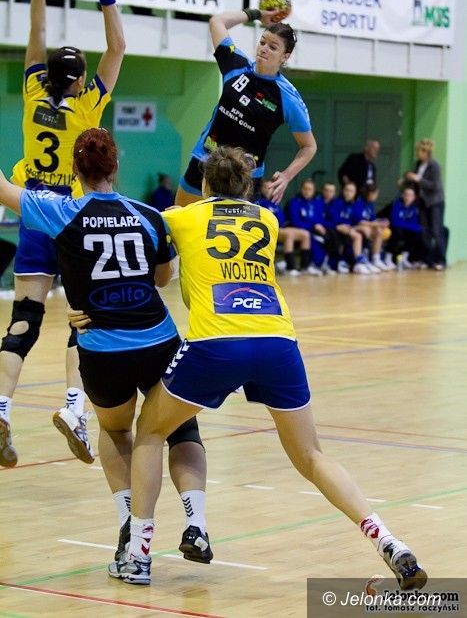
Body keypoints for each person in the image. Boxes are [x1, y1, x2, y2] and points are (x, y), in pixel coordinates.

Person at [103, 146, 426, 589]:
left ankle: (138, 555)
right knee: (311, 456)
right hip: (277, 341)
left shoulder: (184, 217)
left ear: (205, 184)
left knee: (150, 430)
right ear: (247, 187)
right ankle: (388, 540)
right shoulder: (267, 219)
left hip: (216, 342)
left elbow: (131, 223)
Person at [0, 127, 211, 568]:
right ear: (116, 166)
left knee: (117, 432)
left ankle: (130, 529)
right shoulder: (148, 215)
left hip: (101, 350)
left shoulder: (60, 211)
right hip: (157, 342)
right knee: (182, 431)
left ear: (74, 170)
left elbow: (4, 189)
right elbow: (162, 279)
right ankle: (197, 524)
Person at [0, 0, 125, 468]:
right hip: (71, 215)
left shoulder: (33, 91)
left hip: (31, 207)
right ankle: (75, 407)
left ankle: (1, 406)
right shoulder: (87, 105)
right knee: (84, 316)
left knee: (24, 317)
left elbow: (36, 34)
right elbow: (118, 49)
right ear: (77, 81)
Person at [176, 9, 317, 207]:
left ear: (285, 57)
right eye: (262, 42)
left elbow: (309, 146)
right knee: (178, 218)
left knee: (235, 228)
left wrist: (287, 176)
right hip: (206, 161)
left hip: (245, 177)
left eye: (273, 47)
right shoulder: (236, 64)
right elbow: (217, 22)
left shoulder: (288, 98)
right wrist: (257, 14)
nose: (264, 49)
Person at [402, 138, 446, 270]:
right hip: (422, 202)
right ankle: (428, 260)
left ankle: (441, 260)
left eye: (419, 151)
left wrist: (418, 178)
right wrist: (407, 179)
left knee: (436, 231)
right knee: (424, 231)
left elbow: (435, 186)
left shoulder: (434, 166)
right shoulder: (418, 164)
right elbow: (415, 183)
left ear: (426, 152)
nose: (417, 153)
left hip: (435, 202)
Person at [257, 179, 311, 276]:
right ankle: (290, 268)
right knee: (289, 235)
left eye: (271, 187)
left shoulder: (274, 203)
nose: (268, 189)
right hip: (268, 230)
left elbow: (282, 219)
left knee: (305, 234)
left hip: (281, 228)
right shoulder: (259, 202)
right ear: (261, 189)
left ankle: (304, 267)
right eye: (266, 187)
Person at [331, 181, 376, 274]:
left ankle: (366, 258)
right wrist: (342, 225)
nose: (348, 193)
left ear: (355, 193)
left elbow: (356, 219)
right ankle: (358, 263)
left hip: (350, 227)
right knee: (357, 236)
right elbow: (334, 219)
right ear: (343, 191)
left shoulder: (354, 204)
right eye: (346, 190)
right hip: (338, 227)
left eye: (351, 191)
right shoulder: (337, 202)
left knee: (366, 230)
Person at [285, 179, 323, 274]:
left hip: (312, 230)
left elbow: (319, 220)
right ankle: (308, 265)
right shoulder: (294, 202)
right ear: (301, 189)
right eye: (305, 189)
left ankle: (317, 265)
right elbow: (295, 221)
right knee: (310, 236)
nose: (307, 191)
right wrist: (312, 226)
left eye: (310, 189)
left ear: (313, 191)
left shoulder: (316, 203)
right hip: (298, 229)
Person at [354, 184, 391, 272]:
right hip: (354, 226)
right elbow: (360, 221)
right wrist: (376, 224)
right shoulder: (359, 202)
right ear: (370, 193)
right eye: (376, 194)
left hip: (366, 226)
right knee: (368, 230)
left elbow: (372, 219)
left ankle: (376, 259)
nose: (376, 196)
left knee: (379, 230)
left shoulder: (370, 204)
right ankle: (364, 259)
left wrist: (382, 222)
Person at [386, 185, 424, 268]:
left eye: (410, 195)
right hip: (395, 228)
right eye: (406, 194)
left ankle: (404, 258)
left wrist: (408, 225)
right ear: (403, 195)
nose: (408, 197)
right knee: (397, 231)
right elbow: (395, 221)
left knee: (416, 233)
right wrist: (408, 225)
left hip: (405, 230)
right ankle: (388, 258)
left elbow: (414, 224)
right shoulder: (396, 204)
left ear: (414, 197)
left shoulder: (414, 208)